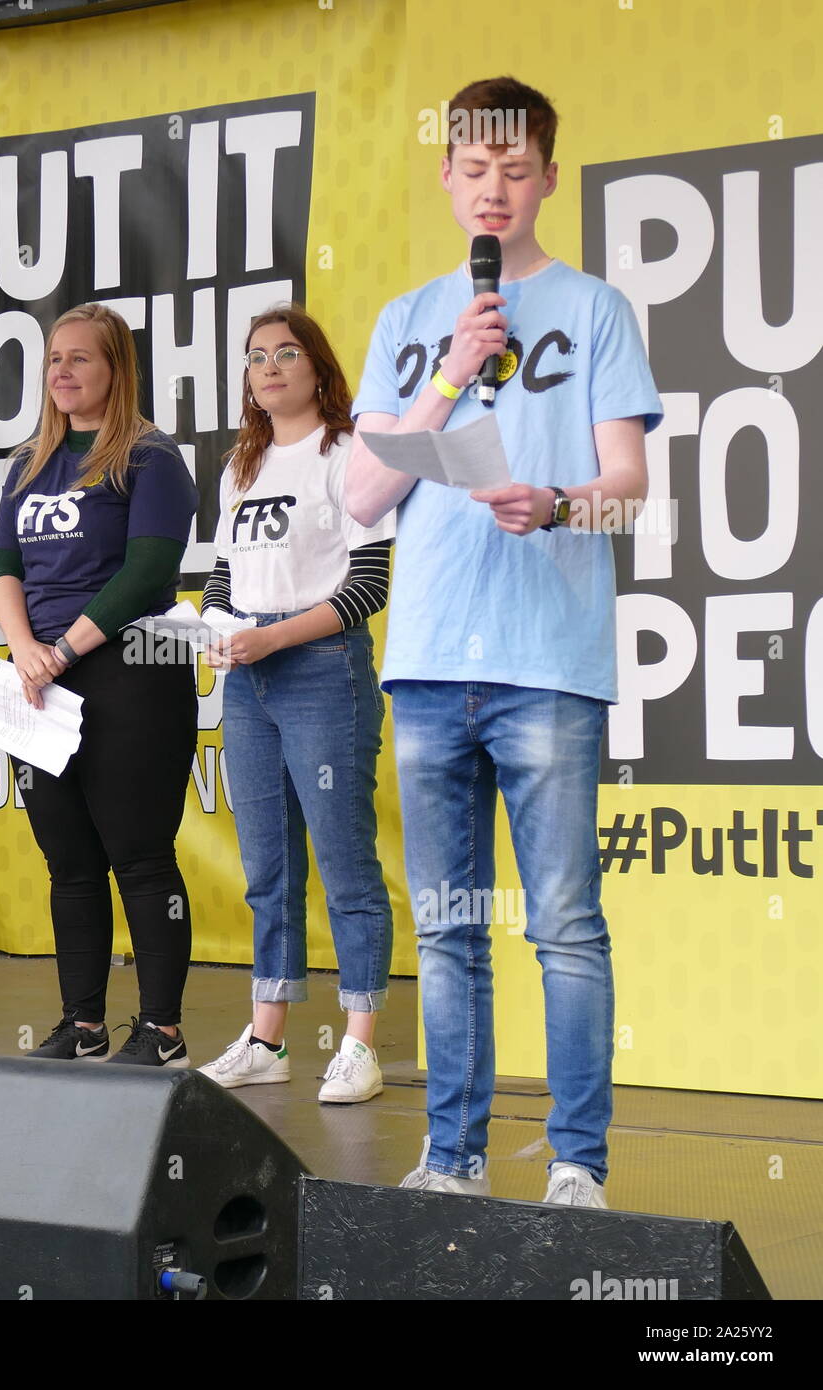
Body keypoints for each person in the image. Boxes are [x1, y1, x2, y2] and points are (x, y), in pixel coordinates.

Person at [346, 77, 662, 1206]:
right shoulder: (405, 318)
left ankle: (575, 1162)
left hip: (544, 665)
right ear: (444, 177)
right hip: (427, 663)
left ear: (545, 178)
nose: (492, 191)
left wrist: (561, 503)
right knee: (445, 934)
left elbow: (628, 489)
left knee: (564, 927)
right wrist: (445, 373)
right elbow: (358, 492)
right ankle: (452, 1156)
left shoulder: (594, 309)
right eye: (472, 171)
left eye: (513, 171)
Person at [0, 302, 199, 1066]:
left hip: (129, 673)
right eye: (54, 359)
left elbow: (147, 572)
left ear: (117, 369)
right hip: (39, 678)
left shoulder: (150, 458)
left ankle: (163, 1030)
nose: (62, 371)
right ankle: (82, 1023)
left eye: (81, 358)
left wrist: (63, 650)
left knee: (141, 857)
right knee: (68, 862)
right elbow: (4, 568)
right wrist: (24, 651)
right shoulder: (25, 464)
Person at [196, 305, 395, 1103]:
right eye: (255, 357)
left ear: (317, 367)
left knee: (345, 862)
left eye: (286, 353)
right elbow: (220, 578)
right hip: (247, 678)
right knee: (266, 866)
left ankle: (360, 1042)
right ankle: (268, 1037)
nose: (270, 367)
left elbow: (369, 584)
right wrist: (216, 631)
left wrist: (275, 639)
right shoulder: (239, 466)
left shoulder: (348, 455)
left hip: (321, 668)